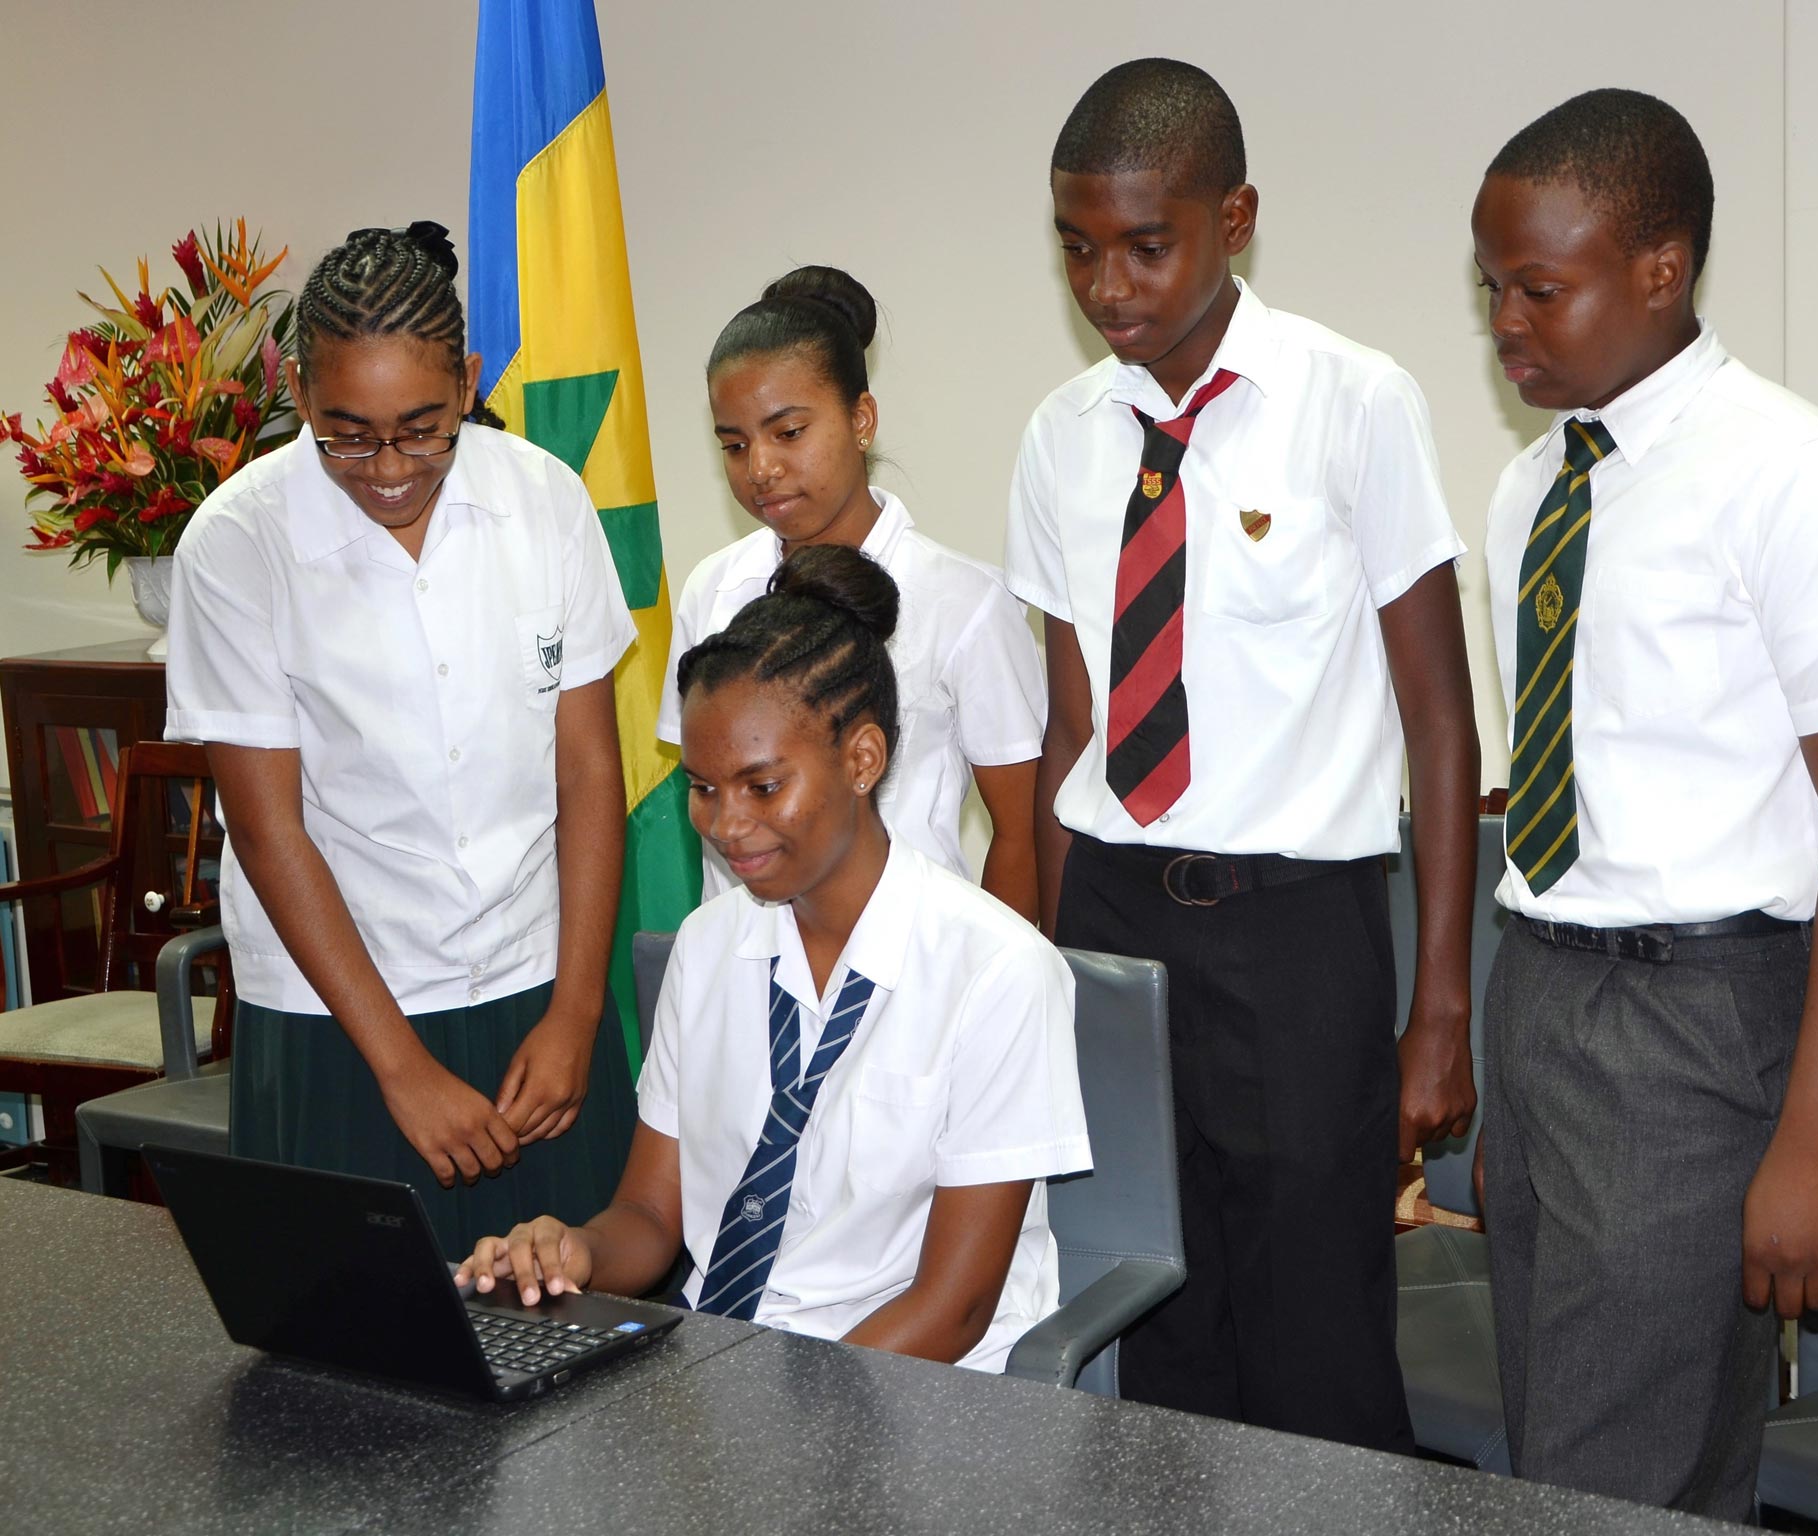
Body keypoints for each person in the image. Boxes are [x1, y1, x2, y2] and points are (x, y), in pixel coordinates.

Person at [1469, 89, 1818, 1518]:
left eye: (1540, 289)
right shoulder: (1533, 485)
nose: (1506, 324)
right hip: (1544, 990)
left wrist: (1813, 1143)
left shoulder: (1794, 478)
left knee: (1623, 1479)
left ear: (1660, 268)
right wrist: (1513, 1074)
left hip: (1698, 1016)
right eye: (1491, 289)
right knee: (1564, 1446)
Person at [1004, 58, 1479, 1450]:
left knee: (1317, 1345)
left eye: (1147, 246)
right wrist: (1041, 955)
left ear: (1236, 219)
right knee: (1151, 1327)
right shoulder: (1062, 438)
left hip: (1296, 937)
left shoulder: (1356, 401)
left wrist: (1438, 1001)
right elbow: (1070, 726)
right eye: (1079, 249)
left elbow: (1443, 721)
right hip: (1111, 911)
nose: (1110, 286)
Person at [463, 546, 1091, 1371]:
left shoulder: (996, 970)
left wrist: (763, 1419)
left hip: (912, 1391)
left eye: (762, 787)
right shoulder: (708, 945)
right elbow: (651, 1221)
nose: (726, 825)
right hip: (726, 1375)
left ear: (863, 760)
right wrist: (574, 1251)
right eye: (703, 787)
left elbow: (956, 1307)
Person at [165, 222, 638, 1258]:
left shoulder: (544, 502)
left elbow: (590, 772)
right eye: (348, 433)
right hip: (338, 1014)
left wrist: (576, 1011)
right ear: (297, 393)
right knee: (354, 1367)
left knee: (576, 1335)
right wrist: (401, 1069)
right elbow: (267, 829)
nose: (387, 467)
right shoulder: (240, 544)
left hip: (536, 997)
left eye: (422, 428)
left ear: (468, 384)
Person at [655, 266, 1045, 920]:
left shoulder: (962, 601)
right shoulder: (712, 590)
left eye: (789, 433)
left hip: (913, 967)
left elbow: (1020, 834)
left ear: (861, 419)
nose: (760, 469)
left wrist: (977, 987)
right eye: (734, 444)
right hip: (750, 967)